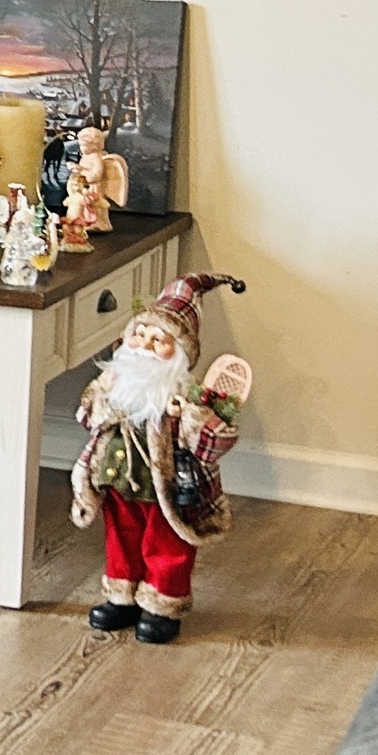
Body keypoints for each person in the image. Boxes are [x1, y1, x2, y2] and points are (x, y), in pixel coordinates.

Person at [74, 274, 251, 644]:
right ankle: (122, 596)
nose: (145, 346)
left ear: (180, 353)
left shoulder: (184, 397)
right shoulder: (115, 385)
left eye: (160, 341)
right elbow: (89, 419)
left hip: (165, 489)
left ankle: (161, 603)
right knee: (121, 537)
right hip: (117, 477)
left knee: (167, 543)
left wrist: (190, 415)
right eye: (140, 335)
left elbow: (216, 442)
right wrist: (100, 398)